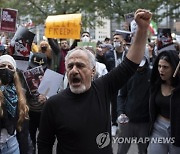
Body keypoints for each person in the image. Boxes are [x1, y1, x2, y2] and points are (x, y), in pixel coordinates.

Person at [37, 9, 152, 154]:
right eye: (70, 66)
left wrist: (142, 29)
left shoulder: (103, 87)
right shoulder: (53, 104)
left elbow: (130, 64)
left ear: (93, 71)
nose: (74, 70)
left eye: (80, 65)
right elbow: (44, 144)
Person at [148, 50, 180, 154]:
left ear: (174, 68)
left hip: (177, 132)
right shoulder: (156, 85)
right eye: (159, 66)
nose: (161, 70)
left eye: (165, 67)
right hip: (158, 130)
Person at [117, 56, 151, 154]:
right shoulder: (128, 75)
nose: (139, 68)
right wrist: (120, 112)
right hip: (127, 120)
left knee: (143, 150)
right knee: (121, 150)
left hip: (144, 122)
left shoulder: (152, 75)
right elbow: (121, 95)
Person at [0, 55, 30, 153]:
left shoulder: (18, 94)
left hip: (11, 146)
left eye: (10, 67)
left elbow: (23, 128)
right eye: (2, 66)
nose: (6, 69)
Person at [24, 52, 48, 154]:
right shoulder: (25, 75)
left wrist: (47, 97)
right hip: (30, 112)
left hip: (45, 113)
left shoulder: (50, 76)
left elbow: (57, 94)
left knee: (44, 139)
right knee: (30, 138)